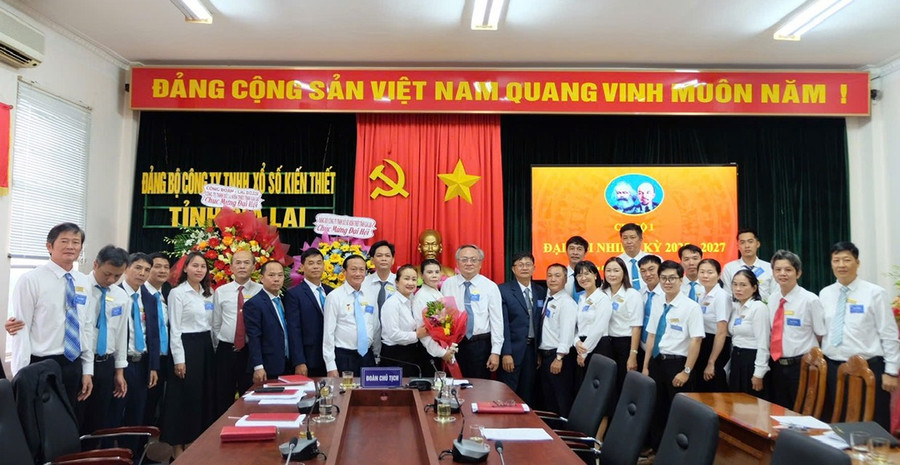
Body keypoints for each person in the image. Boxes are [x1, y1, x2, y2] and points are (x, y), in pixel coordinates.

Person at [10, 223, 95, 409]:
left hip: (73, 363)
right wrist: (20, 375)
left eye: (76, 242)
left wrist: (87, 369)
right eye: (64, 241)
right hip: (41, 364)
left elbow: (86, 327)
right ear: (49, 246)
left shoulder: (83, 281)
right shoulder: (31, 280)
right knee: (40, 420)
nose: (70, 246)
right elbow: (21, 330)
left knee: (71, 419)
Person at [820, 241, 899, 431]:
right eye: (836, 260)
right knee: (840, 424)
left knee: (873, 425)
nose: (841, 265)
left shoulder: (875, 293)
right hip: (835, 369)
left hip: (869, 369)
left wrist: (891, 371)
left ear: (857, 262)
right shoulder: (825, 293)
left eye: (847, 260)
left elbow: (889, 333)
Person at [642, 260, 704, 450]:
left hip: (678, 364)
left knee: (679, 412)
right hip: (657, 362)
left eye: (672, 278)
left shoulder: (691, 307)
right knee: (656, 409)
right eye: (663, 278)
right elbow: (651, 335)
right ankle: (657, 451)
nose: (667, 282)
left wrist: (686, 371)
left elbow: (696, 340)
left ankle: (678, 453)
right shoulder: (658, 302)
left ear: (681, 279)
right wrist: (646, 366)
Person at [161, 251, 215, 458]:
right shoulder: (177, 293)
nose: (199, 270)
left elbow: (212, 324)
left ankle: (195, 443)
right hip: (185, 347)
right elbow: (174, 328)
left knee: (201, 397)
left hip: (205, 347)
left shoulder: (208, 293)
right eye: (195, 265)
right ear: (185, 268)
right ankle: (177, 448)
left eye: (203, 266)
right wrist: (179, 360)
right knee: (182, 398)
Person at [110, 252, 164, 457]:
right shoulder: (113, 294)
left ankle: (132, 456)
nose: (142, 273)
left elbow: (154, 335)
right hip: (119, 365)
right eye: (138, 268)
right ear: (126, 269)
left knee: (137, 414)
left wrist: (154, 366)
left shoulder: (149, 298)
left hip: (142, 364)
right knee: (114, 413)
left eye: (147, 270)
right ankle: (111, 456)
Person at [79, 245, 129, 442]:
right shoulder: (79, 287)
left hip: (106, 364)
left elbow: (121, 335)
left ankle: (93, 455)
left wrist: (119, 371)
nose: (111, 280)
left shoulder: (121, 296)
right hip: (80, 362)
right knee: (77, 417)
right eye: (107, 274)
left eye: (117, 276)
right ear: (95, 264)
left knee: (98, 421)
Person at [766, 249, 825, 409]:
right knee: (779, 411)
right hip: (777, 365)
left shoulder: (810, 300)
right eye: (778, 269)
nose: (782, 273)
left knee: (803, 412)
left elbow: (820, 334)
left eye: (788, 269)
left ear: (798, 273)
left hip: (803, 366)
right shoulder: (773, 299)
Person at [211, 249, 261, 416]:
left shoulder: (261, 290)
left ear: (253, 267)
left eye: (246, 263)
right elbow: (216, 324)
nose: (242, 266)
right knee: (223, 396)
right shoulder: (221, 291)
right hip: (226, 351)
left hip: (250, 351)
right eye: (238, 263)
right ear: (231, 267)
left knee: (251, 396)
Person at [442, 245, 504, 379]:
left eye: (473, 260)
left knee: (479, 385)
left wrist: (495, 352)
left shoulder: (490, 287)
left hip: (481, 345)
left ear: (480, 263)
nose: (469, 263)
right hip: (455, 344)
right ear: (457, 262)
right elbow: (445, 316)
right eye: (464, 259)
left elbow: (497, 321)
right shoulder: (448, 284)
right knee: (455, 384)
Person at [381, 265, 453, 377]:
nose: (411, 283)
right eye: (406, 279)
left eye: (414, 279)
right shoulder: (392, 304)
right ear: (397, 282)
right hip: (395, 355)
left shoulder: (411, 300)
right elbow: (393, 335)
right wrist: (416, 335)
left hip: (411, 353)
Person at [498, 252, 547, 404]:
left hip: (532, 351)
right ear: (513, 269)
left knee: (528, 394)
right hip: (512, 350)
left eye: (528, 264)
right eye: (520, 265)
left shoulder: (541, 291)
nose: (524, 268)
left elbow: (541, 323)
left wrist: (539, 351)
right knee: (508, 393)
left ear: (534, 268)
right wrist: (506, 353)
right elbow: (502, 324)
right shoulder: (503, 290)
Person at [323, 255, 380, 377]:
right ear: (344, 272)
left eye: (362, 270)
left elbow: (375, 326)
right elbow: (328, 333)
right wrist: (330, 365)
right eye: (353, 269)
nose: (358, 273)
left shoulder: (370, 295)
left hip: (367, 357)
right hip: (344, 357)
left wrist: (376, 355)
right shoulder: (334, 297)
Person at [245, 260, 300, 383]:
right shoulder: (254, 304)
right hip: (268, 367)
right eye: (271, 275)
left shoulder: (285, 300)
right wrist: (258, 366)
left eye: (280, 275)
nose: (276, 279)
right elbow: (254, 338)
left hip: (288, 364)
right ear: (261, 278)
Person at [597, 257, 643, 399]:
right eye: (608, 271)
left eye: (616, 270)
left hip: (625, 344)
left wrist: (633, 355)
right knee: (607, 387)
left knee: (624, 385)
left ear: (624, 273)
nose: (612, 274)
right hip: (605, 343)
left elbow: (636, 327)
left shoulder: (632, 294)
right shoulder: (601, 293)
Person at [284, 248, 331, 377]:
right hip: (309, 358)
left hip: (331, 357)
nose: (316, 266)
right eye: (311, 263)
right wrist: (299, 361)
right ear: (302, 267)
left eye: (319, 263)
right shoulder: (294, 294)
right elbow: (294, 329)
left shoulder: (331, 291)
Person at [537, 263, 577, 415]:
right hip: (546, 356)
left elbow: (567, 332)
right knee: (548, 400)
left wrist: (559, 357)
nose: (552, 279)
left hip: (559, 357)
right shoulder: (548, 299)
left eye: (557, 276)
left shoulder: (567, 303)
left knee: (561, 399)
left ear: (565, 280)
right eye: (549, 275)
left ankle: (565, 430)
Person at [728, 269, 770, 398]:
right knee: (735, 402)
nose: (738, 289)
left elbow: (763, 343)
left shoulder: (758, 307)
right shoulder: (735, 307)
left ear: (754, 288)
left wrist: (759, 373)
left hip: (751, 359)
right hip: (736, 358)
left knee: (751, 404)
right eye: (735, 284)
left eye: (743, 285)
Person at [142, 252, 171, 427]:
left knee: (157, 402)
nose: (162, 270)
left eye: (166, 267)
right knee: (143, 405)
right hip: (145, 357)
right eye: (157, 266)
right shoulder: (140, 292)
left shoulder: (168, 293)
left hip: (164, 356)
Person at [572, 261, 612, 382]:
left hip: (598, 345)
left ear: (595, 275)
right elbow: (575, 325)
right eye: (579, 275)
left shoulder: (602, 298)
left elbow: (599, 328)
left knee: (597, 385)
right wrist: (576, 341)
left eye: (586, 273)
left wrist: (584, 352)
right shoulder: (581, 298)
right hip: (581, 345)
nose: (583, 278)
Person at [696, 259, 731, 392]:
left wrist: (712, 362)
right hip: (703, 343)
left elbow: (721, 332)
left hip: (716, 345)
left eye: (710, 272)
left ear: (719, 275)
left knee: (714, 386)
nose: (705, 275)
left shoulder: (721, 296)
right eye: (702, 272)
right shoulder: (701, 294)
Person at [364, 240, 396, 359]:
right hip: (368, 339)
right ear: (372, 260)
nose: (383, 259)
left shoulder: (401, 283)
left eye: (387, 256)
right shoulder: (363, 283)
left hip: (394, 340)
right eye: (379, 255)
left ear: (393, 260)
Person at [722, 228, 774, 302]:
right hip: (737, 308)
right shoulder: (729, 268)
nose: (747, 246)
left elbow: (775, 294)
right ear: (738, 246)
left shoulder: (769, 268)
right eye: (742, 242)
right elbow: (728, 295)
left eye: (750, 242)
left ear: (758, 244)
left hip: (764, 307)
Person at [638, 255, 665, 366]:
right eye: (643, 271)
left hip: (662, 349)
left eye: (651, 269)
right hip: (641, 347)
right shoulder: (640, 293)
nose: (647, 274)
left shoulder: (668, 293)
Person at [617, 223, 648, 290]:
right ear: (621, 240)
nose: (629, 242)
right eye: (625, 238)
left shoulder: (653, 260)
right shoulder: (616, 262)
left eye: (632, 237)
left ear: (640, 239)